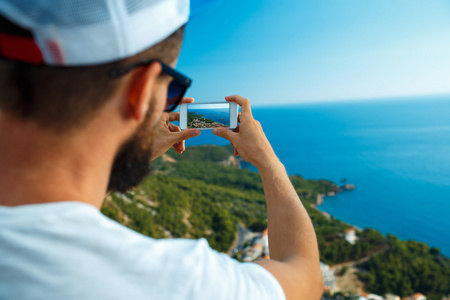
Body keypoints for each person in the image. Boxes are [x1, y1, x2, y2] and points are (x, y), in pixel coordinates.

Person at [0, 1, 323, 299]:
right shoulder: (178, 283)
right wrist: (268, 163)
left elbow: (53, 215)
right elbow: (305, 279)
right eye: (169, 87)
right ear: (139, 90)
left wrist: (135, 149)